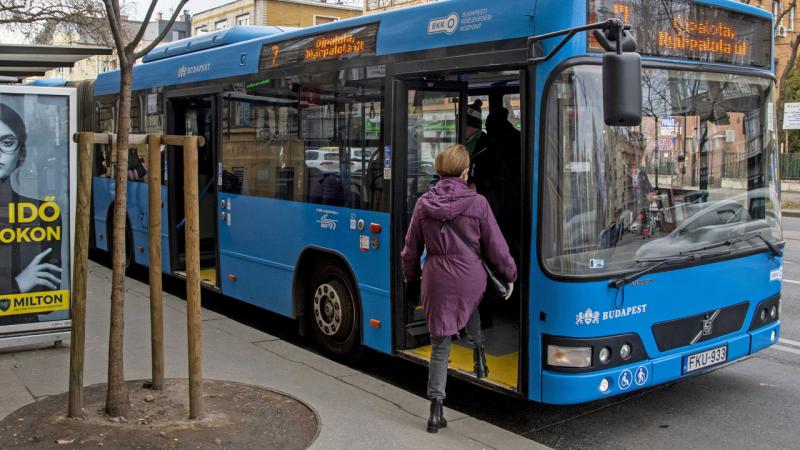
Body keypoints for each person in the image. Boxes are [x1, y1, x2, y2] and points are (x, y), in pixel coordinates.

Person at [401, 144, 517, 434]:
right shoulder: (478, 204)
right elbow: (497, 248)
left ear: (440, 171)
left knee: (440, 344)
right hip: (470, 276)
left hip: (435, 278)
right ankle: (478, 356)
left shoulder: (423, 204)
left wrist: (412, 280)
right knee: (472, 302)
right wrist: (510, 275)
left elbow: (410, 251)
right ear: (465, 172)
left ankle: (435, 411)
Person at [0, 103, 62, 326]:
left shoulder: (46, 214)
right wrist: (17, 285)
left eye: (7, 143)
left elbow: (48, 295)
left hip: (24, 320)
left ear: (21, 154)